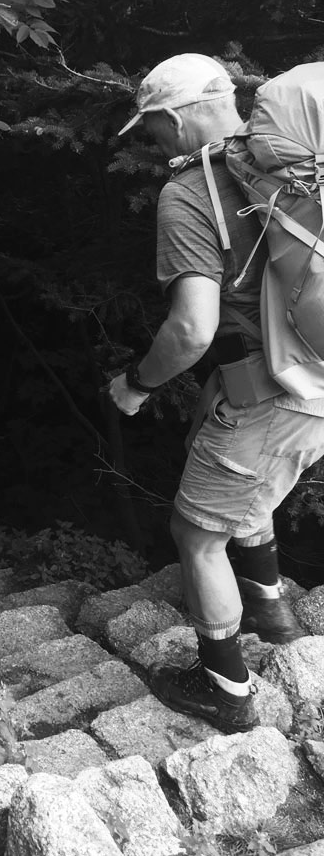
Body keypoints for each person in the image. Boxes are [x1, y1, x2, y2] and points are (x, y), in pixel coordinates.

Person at [109, 53, 324, 734]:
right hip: (316, 374)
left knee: (196, 535)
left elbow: (192, 329)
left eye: (151, 130)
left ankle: (225, 690)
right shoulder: (295, 168)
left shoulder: (190, 194)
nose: (154, 143)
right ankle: (271, 610)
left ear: (172, 118)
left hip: (278, 393)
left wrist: (136, 385)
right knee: (243, 487)